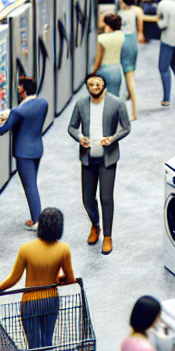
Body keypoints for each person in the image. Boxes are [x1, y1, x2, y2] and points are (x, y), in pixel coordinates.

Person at [0, 207, 75, 351]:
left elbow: (13, 279)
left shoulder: (26, 249)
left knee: (33, 345)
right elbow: (70, 280)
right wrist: (57, 280)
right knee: (47, 342)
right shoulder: (63, 250)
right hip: (51, 301)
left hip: (29, 302)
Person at [67, 72, 131, 255]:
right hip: (88, 158)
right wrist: (79, 137)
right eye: (91, 84)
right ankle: (95, 225)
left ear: (104, 85)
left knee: (106, 198)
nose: (95, 86)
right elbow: (71, 127)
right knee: (87, 198)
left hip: (107, 158)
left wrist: (112, 139)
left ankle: (108, 236)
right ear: (87, 87)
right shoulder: (81, 104)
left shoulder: (116, 103)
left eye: (98, 83)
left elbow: (126, 127)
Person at [0, 75, 47, 228]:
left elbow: (2, 130)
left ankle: (37, 221)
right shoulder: (43, 103)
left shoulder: (18, 111)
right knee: (32, 184)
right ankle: (35, 217)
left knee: (29, 186)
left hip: (23, 153)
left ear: (23, 90)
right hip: (37, 148)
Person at [117, 0, 145, 121]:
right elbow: (140, 30)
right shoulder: (136, 12)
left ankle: (134, 111)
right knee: (130, 73)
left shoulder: (120, 14)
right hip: (133, 42)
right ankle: (131, 105)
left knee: (129, 78)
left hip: (124, 43)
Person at [89, 12, 125, 99]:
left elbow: (99, 58)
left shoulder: (101, 39)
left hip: (104, 70)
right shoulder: (121, 36)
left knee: (101, 98)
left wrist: (93, 72)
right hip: (116, 69)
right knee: (114, 97)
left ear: (107, 25)